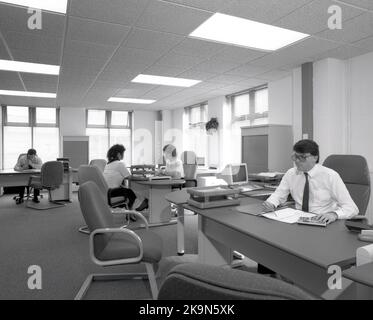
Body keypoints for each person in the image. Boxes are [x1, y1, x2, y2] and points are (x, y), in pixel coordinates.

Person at [263, 139, 359, 223]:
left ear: (315, 158)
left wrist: (334, 214)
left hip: (322, 221)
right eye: (295, 156)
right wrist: (271, 203)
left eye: (302, 157)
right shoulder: (291, 173)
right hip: (297, 220)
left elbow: (352, 208)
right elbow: (279, 195)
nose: (297, 161)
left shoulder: (330, 176)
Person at [103, 144, 148, 213]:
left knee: (128, 191)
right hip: (112, 192)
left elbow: (112, 180)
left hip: (106, 192)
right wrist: (144, 179)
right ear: (118, 154)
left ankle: (135, 209)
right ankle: (133, 211)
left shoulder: (108, 165)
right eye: (123, 153)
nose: (123, 155)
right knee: (130, 192)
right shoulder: (119, 164)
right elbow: (129, 177)